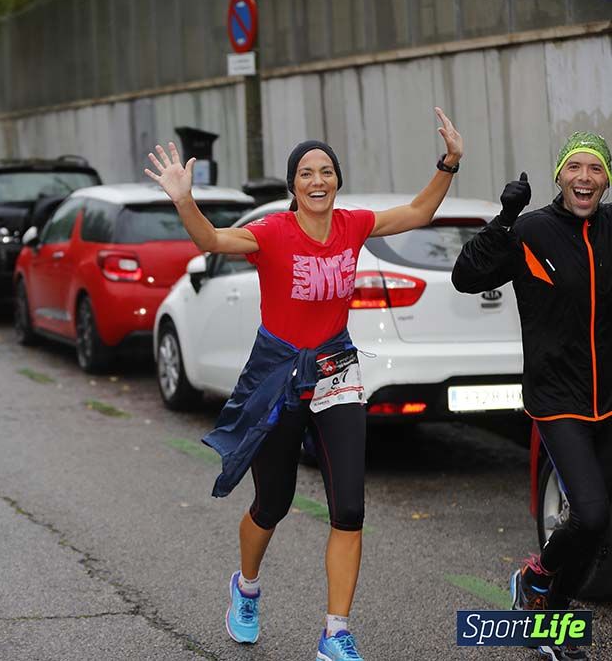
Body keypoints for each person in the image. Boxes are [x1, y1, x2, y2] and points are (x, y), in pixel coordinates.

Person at [145, 108, 463, 660]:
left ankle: (335, 631)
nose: (318, 181)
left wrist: (448, 164)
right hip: (278, 372)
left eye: (326, 172)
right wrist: (183, 199)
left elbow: (417, 211)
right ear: (294, 186)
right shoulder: (272, 232)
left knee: (350, 508)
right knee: (273, 501)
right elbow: (214, 241)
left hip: (337, 367)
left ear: (337, 180)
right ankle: (246, 588)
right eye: (306, 174)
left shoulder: (354, 225)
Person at [453, 131, 611, 661]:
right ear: (560, 175)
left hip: (608, 398)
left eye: (595, 169)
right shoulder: (533, 229)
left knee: (599, 525)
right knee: (588, 514)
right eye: (575, 168)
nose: (584, 178)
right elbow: (465, 276)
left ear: (606, 180)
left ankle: (552, 614)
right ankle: (537, 576)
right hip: (557, 397)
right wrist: (503, 220)